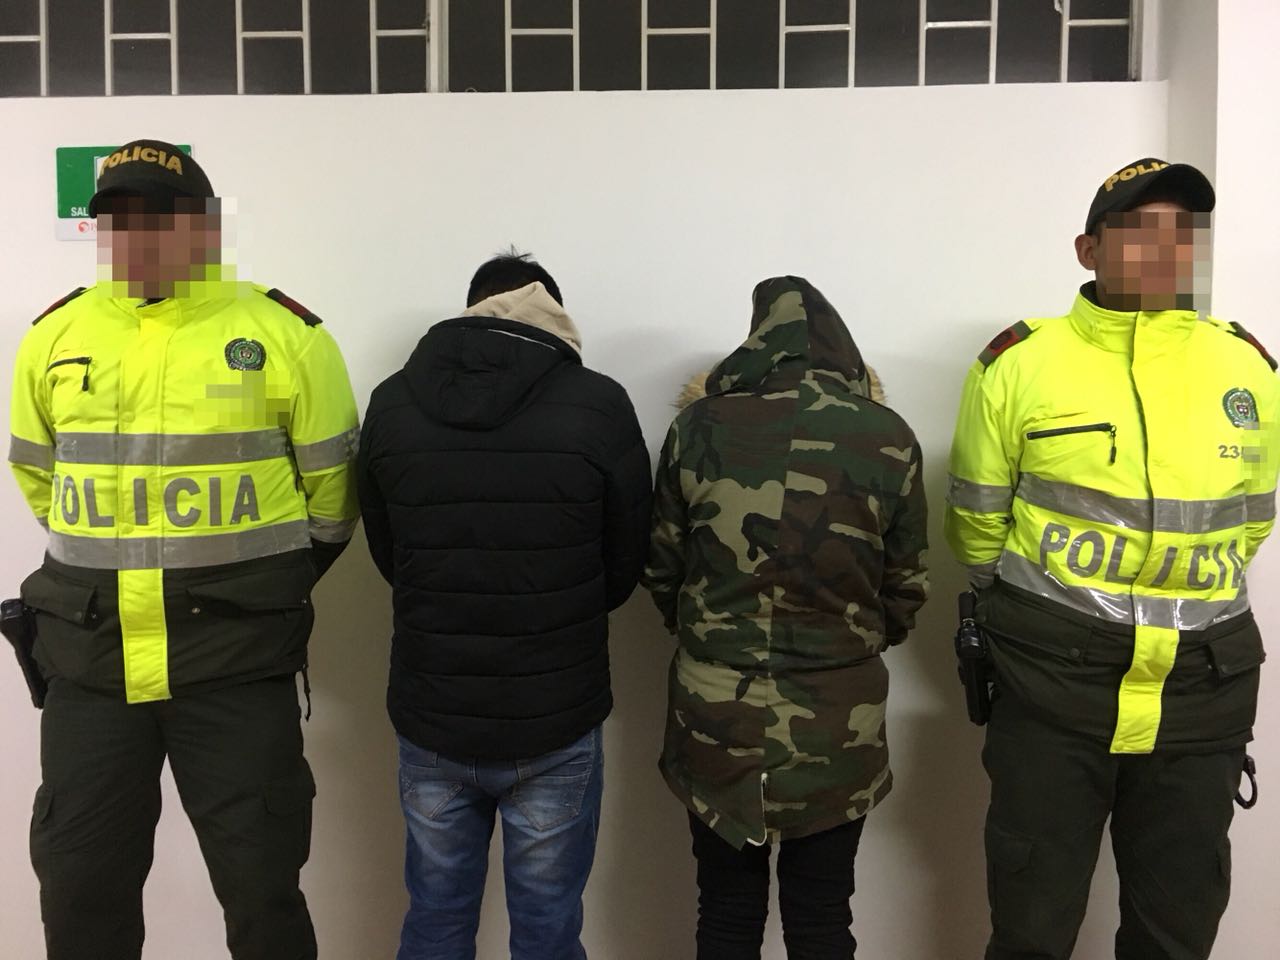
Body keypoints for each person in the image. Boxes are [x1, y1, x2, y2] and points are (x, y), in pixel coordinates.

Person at [6, 139, 359, 960]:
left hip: (233, 661)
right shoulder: (54, 336)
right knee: (79, 893)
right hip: (92, 666)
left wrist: (253, 587)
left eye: (157, 219)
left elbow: (333, 501)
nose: (135, 238)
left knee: (263, 896)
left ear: (203, 228)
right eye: (117, 222)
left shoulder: (284, 335)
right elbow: (39, 479)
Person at [944, 157, 1279, 960]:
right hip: (1053, 683)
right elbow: (976, 530)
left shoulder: (1246, 366)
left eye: (1182, 232)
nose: (1166, 249)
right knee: (1031, 927)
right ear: (1088, 250)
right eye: (1139, 231)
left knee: (1177, 931)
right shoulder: (1018, 362)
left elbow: (1253, 519)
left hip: (1203, 689)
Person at [356, 251, 651, 960]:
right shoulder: (599, 404)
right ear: (551, 312)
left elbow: (390, 556)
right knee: (548, 929)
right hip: (555, 717)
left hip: (433, 712)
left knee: (435, 918)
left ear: (470, 310)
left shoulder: (393, 402)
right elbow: (624, 565)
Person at [643, 275, 929, 960]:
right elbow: (907, 585)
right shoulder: (887, 437)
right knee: (823, 913)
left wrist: (710, 637)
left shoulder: (697, 428)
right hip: (841, 715)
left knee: (725, 909)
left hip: (714, 714)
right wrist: (851, 645)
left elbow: (661, 567)